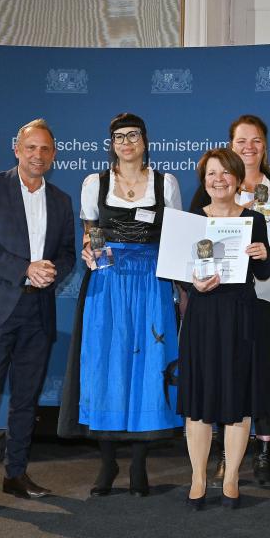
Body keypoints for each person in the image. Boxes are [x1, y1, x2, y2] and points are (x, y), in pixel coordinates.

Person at [57, 113, 184, 497]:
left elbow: (175, 236)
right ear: (110, 143)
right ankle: (108, 461)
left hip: (151, 280)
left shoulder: (166, 183)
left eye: (133, 135)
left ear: (145, 140)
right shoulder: (94, 183)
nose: (126, 142)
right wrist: (89, 253)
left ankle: (139, 466)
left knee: (148, 365)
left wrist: (180, 289)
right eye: (119, 137)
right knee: (104, 365)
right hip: (108, 281)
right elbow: (88, 235)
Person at [0, 119, 75, 514]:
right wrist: (25, 268)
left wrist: (51, 269)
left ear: (54, 155)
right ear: (16, 149)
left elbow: (68, 252)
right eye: (31, 148)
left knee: (26, 400)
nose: (38, 155)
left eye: (45, 149)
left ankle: (16, 475)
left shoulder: (60, 199)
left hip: (38, 311)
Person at [190, 114, 270, 486]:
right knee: (220, 375)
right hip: (218, 300)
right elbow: (187, 248)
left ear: (265, 146)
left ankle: (263, 454)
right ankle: (225, 457)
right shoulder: (207, 195)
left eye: (256, 140)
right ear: (231, 145)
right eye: (241, 140)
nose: (249, 147)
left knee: (261, 374)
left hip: (266, 296)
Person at [178, 147, 270, 510]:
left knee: (238, 398)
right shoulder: (191, 219)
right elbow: (178, 270)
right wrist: (191, 282)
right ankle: (198, 478)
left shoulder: (254, 220)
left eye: (225, 173)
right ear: (204, 181)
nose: (218, 180)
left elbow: (263, 274)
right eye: (211, 175)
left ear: (237, 178)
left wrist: (264, 255)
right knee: (199, 398)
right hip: (202, 313)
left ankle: (231, 478)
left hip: (240, 314)